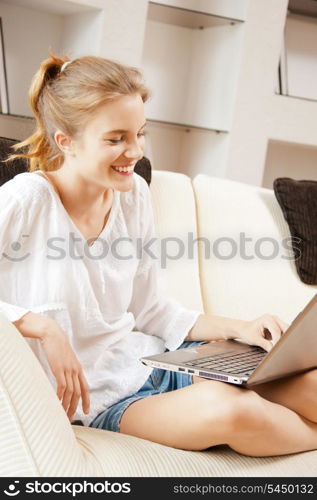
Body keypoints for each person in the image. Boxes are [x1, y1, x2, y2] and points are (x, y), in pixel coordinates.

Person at [1, 53, 317, 458]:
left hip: (154, 362)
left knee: (309, 385)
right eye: (115, 139)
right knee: (233, 410)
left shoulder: (132, 197)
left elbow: (152, 311)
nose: (134, 152)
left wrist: (243, 328)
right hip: (100, 401)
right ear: (66, 141)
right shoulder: (27, 199)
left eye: (140, 134)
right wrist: (41, 327)